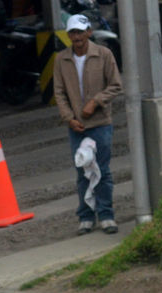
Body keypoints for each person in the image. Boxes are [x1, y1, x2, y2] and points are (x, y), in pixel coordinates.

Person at [53, 13, 123, 236]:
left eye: (81, 32)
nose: (77, 37)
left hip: (100, 123)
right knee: (82, 171)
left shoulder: (103, 54)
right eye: (73, 32)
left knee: (101, 171)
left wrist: (96, 102)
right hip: (76, 126)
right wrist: (68, 118)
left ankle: (106, 215)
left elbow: (115, 85)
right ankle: (85, 217)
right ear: (69, 35)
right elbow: (59, 92)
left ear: (89, 33)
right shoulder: (61, 59)